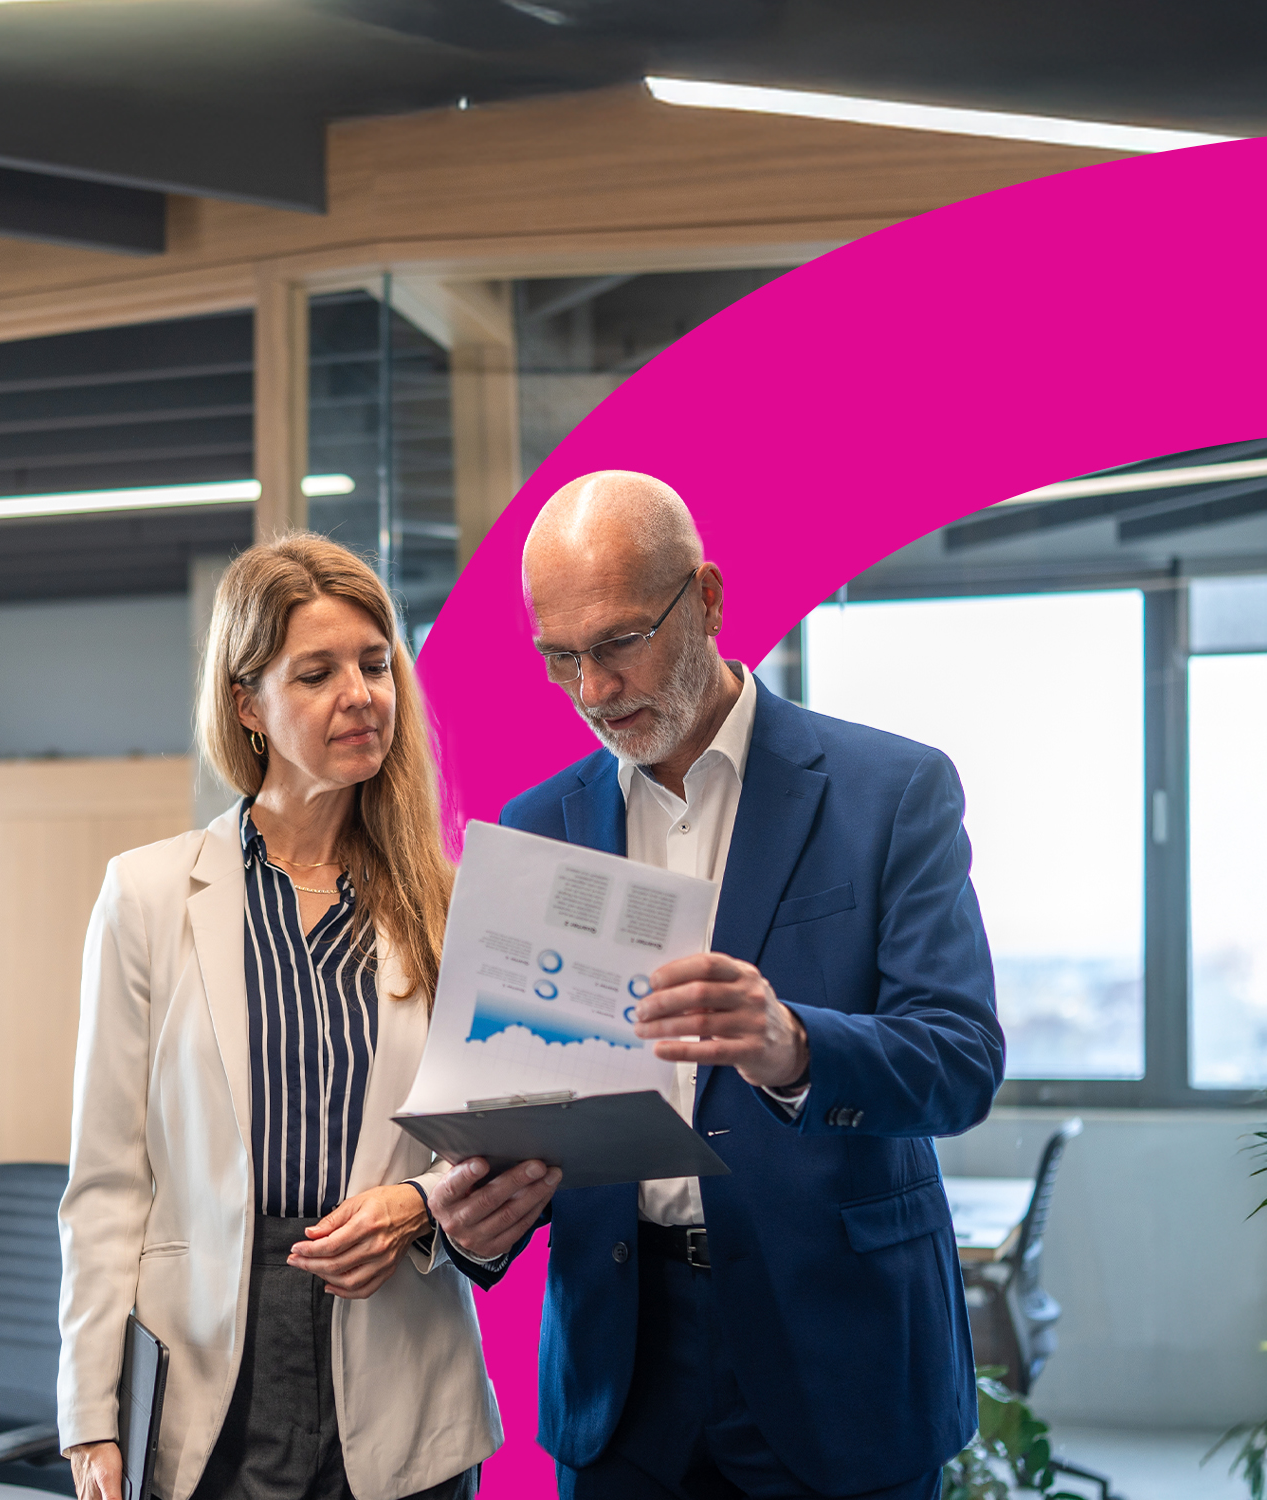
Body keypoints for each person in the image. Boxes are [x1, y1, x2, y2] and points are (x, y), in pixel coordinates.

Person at [423, 471, 1005, 1500]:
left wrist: (792, 1044)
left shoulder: (890, 792)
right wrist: (482, 1211)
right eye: (560, 658)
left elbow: (958, 1063)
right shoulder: (532, 828)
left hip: (839, 1356)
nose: (592, 692)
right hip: (621, 1372)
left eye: (616, 643)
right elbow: (525, 1100)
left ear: (707, 601)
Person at [59, 532, 502, 1500]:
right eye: (316, 673)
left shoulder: (453, 904)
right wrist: (89, 1412)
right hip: (213, 1358)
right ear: (245, 702)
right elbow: (106, 1180)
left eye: (376, 664)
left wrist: (420, 1207)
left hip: (400, 1348)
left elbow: (500, 1143)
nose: (361, 694)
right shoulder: (146, 895)